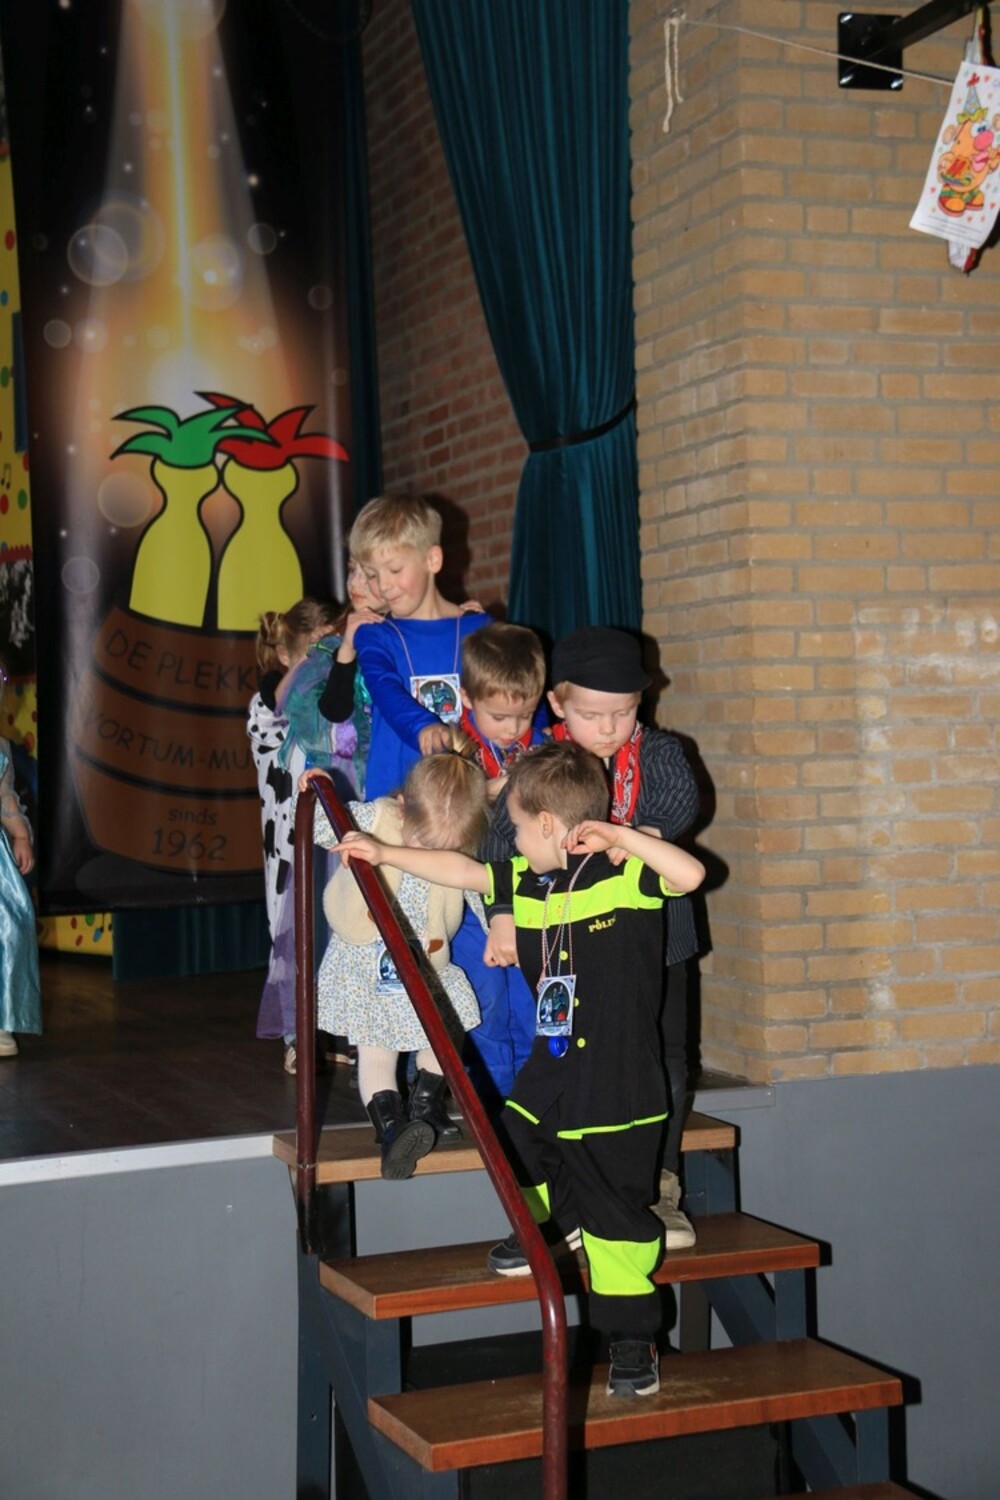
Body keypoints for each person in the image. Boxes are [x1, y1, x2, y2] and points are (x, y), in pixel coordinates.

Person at [332, 741, 705, 1398]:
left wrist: (625, 835)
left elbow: (692, 875)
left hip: (620, 1087)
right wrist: (384, 853)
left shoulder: (626, 877)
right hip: (552, 1071)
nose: (513, 840)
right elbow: (462, 869)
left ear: (550, 825)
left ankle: (630, 1340)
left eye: (519, 828)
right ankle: (552, 1224)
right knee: (513, 1140)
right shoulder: (527, 883)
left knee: (617, 1225)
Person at [484, 625, 703, 1249]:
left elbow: (676, 804)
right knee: (563, 1068)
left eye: (623, 712)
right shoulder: (540, 767)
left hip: (658, 942)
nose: (608, 729)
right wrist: (502, 913)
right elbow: (498, 838)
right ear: (557, 703)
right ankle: (570, 1195)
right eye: (590, 715)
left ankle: (658, 1188)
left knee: (668, 1057)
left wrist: (637, 833)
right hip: (573, 957)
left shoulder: (658, 753)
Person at [302, 753, 489, 1179]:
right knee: (377, 1052)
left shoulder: (457, 844)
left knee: (448, 1028)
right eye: (424, 841)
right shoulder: (378, 819)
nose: (431, 855)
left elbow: (479, 889)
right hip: (369, 964)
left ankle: (424, 1107)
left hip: (425, 962)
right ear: (403, 806)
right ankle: (391, 1130)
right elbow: (325, 826)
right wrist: (317, 790)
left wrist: (499, 926)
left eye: (446, 848)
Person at [248, 577, 385, 1071]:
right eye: (313, 651)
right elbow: (282, 699)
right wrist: (323, 654)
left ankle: (341, 1030)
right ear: (286, 654)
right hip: (289, 843)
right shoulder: (269, 700)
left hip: (332, 830)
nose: (323, 660)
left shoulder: (331, 686)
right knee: (296, 933)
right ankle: (297, 1034)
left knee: (343, 924)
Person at [458, 622, 549, 1104]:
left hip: (532, 898)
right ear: (467, 699)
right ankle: (491, 1108)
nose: (514, 729)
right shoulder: (452, 750)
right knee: (486, 1004)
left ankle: (531, 1107)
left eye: (525, 714)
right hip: (472, 904)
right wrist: (481, 792)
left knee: (532, 1004)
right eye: (500, 717)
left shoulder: (546, 746)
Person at [349, 494, 491, 800]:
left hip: (471, 798)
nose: (383, 586)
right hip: (399, 801)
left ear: (432, 560)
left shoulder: (482, 630)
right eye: (372, 574)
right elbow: (384, 688)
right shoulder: (375, 636)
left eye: (394, 570)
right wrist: (422, 726)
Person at [0, 661, 41, 1058]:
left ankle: (3, 1019)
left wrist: (21, 834)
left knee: (13, 922)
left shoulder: (1, 748)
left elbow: (6, 798)